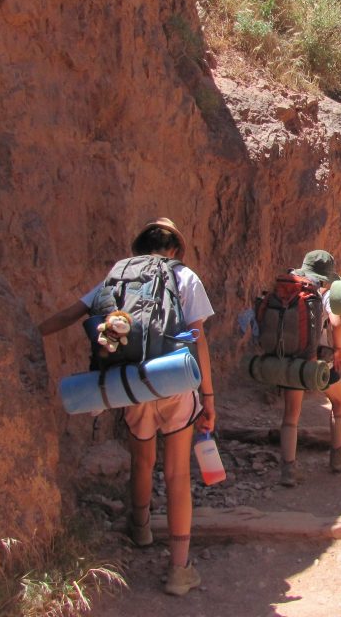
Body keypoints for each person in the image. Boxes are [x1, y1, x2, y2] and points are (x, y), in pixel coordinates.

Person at [38, 218, 215, 597]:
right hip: (171, 380)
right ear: (174, 248)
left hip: (129, 383)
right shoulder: (184, 277)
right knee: (178, 474)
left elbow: (75, 312)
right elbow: (197, 338)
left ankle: (140, 529)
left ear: (141, 245)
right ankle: (179, 570)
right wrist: (210, 398)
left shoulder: (119, 275)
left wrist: (31, 331)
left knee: (142, 459)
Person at [278, 250, 341, 486]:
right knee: (339, 400)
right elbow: (335, 323)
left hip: (289, 358)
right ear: (325, 275)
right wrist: (338, 350)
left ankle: (288, 469)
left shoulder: (287, 287)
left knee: (290, 416)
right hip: (316, 361)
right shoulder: (323, 293)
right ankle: (338, 454)